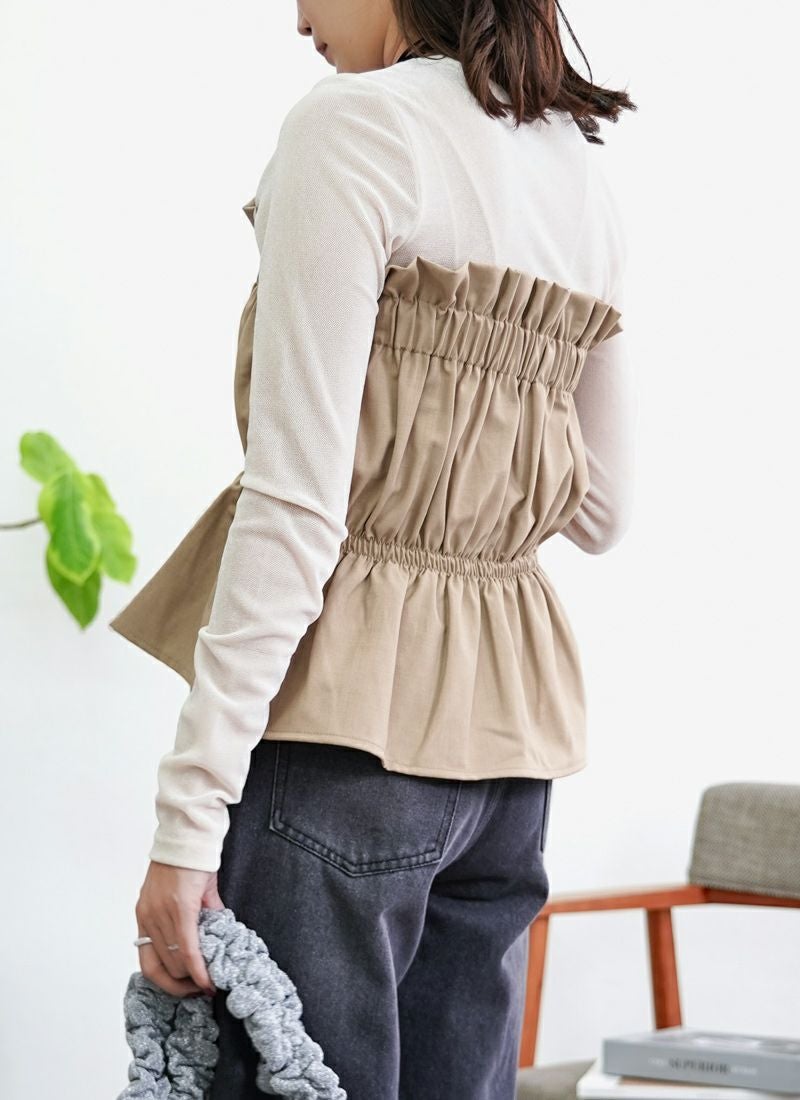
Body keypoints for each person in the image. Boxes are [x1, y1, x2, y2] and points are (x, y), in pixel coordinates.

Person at [123, 1, 637, 1096]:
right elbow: (602, 509)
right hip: (506, 766)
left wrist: (187, 820)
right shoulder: (574, 167)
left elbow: (296, 507)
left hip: (342, 746)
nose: (296, 16)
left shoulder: (352, 127)